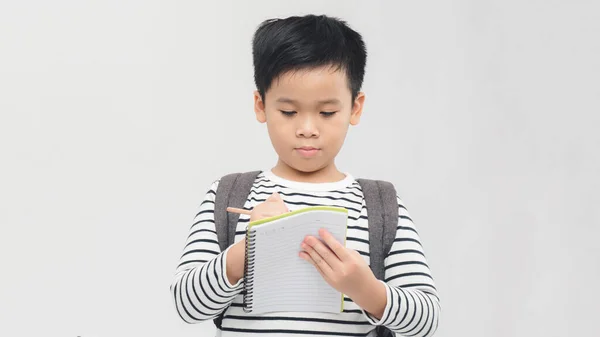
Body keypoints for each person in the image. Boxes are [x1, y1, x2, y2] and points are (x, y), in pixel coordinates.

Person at [170, 14, 440, 337]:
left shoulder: (379, 205)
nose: (307, 130)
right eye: (288, 112)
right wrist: (248, 249)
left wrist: (367, 291)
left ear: (355, 107)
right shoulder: (229, 194)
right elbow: (185, 305)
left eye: (327, 112)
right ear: (260, 105)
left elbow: (427, 320)